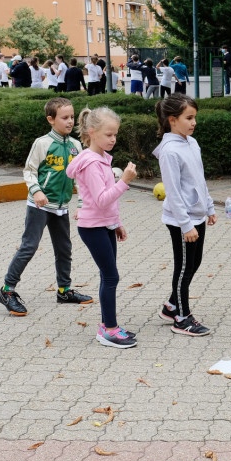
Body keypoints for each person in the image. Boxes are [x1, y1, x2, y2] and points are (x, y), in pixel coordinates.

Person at [0, 98, 93, 317]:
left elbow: (81, 178)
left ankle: (64, 291)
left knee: (64, 248)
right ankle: (7, 290)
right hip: (39, 205)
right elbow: (29, 171)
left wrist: (82, 204)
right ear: (51, 119)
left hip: (61, 206)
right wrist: (36, 191)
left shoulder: (76, 146)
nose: (70, 121)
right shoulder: (42, 143)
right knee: (29, 247)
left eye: (72, 117)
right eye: (64, 118)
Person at [66, 107, 138, 348]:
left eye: (115, 134)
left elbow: (107, 203)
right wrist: (124, 181)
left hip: (104, 225)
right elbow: (102, 200)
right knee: (111, 276)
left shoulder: (103, 159)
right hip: (92, 227)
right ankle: (109, 330)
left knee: (108, 275)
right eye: (108, 134)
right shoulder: (91, 164)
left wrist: (116, 224)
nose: (113, 139)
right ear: (92, 132)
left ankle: (108, 325)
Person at [152, 94, 216, 336]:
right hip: (181, 221)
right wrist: (186, 225)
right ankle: (182, 317)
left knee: (194, 263)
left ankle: (171, 306)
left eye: (194, 117)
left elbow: (199, 179)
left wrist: (209, 207)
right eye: (188, 118)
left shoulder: (192, 143)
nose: (194, 122)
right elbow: (174, 192)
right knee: (183, 268)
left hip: (197, 216)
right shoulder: (169, 151)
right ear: (172, 120)